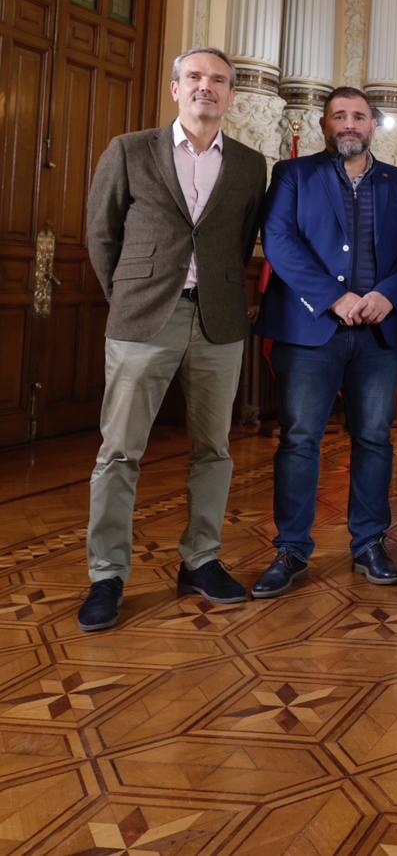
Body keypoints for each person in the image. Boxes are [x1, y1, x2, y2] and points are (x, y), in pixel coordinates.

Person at [78, 47, 268, 632]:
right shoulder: (130, 150)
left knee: (214, 449)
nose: (206, 86)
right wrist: (130, 295)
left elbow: (241, 240)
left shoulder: (249, 164)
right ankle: (107, 574)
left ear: (231, 95)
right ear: (175, 88)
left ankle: (201, 561)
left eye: (219, 80)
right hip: (143, 319)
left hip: (218, 322)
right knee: (119, 451)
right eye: (195, 77)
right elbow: (100, 232)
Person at [251, 87, 397, 598]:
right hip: (310, 331)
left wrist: (388, 295)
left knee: (374, 438)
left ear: (373, 125)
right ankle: (291, 549)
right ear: (325, 125)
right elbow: (280, 242)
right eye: (340, 116)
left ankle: (370, 543)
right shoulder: (293, 175)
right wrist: (334, 298)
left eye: (359, 116)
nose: (350, 124)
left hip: (379, 332)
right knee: (301, 439)